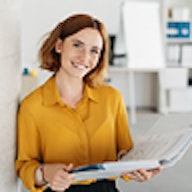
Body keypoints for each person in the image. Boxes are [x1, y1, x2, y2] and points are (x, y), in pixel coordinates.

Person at [15, 14, 162, 192]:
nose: (84, 57)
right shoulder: (33, 106)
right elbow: (25, 165)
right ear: (59, 45)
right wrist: (46, 173)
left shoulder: (112, 98)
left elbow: (125, 152)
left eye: (94, 51)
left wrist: (137, 168)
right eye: (77, 45)